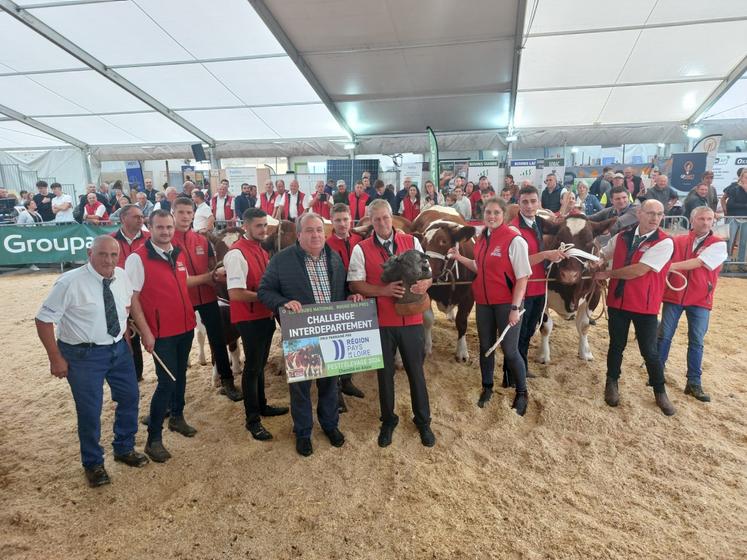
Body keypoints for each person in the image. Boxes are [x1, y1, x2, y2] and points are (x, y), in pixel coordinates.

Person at [36, 236, 148, 487]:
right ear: (90, 253)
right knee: (89, 410)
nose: (109, 260)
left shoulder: (121, 275)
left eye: (113, 255)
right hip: (82, 355)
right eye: (102, 255)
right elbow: (43, 320)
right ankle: (93, 463)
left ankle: (124, 447)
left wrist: (126, 343)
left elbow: (126, 308)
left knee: (130, 397)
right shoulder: (69, 282)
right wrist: (55, 359)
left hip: (118, 350)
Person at [259, 213, 355, 456]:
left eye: (319, 231)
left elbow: (341, 289)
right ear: (299, 234)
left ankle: (330, 425)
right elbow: (264, 291)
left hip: (330, 332)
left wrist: (351, 297)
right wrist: (283, 302)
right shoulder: (281, 261)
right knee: (301, 387)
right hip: (302, 332)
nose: (315, 235)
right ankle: (303, 432)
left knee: (330, 383)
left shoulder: (334, 259)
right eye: (310, 231)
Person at [348, 200, 435, 447]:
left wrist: (426, 284)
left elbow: (429, 273)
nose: (383, 223)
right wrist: (383, 290)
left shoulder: (412, 242)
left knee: (416, 372)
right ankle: (388, 420)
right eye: (376, 219)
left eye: (386, 217)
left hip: (412, 319)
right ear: (370, 222)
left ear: (392, 217)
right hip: (382, 321)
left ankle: (423, 421)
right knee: (384, 375)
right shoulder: (361, 249)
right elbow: (355, 284)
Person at [125, 210, 198, 463]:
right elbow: (132, 297)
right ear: (150, 227)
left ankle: (177, 418)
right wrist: (146, 331)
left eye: (169, 227)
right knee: (166, 383)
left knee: (180, 376)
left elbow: (182, 285)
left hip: (185, 327)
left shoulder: (177, 252)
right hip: (161, 333)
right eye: (160, 227)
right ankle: (153, 439)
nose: (166, 232)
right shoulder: (138, 258)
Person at [448, 197, 530, 414]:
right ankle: (487, 387)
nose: (492, 217)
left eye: (496, 213)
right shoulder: (483, 238)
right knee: (486, 348)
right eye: (488, 213)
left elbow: (523, 277)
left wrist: (514, 308)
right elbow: (480, 267)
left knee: (510, 351)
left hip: (506, 304)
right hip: (484, 303)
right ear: (483, 215)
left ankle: (522, 393)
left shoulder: (514, 240)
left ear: (503, 215)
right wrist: (458, 257)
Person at [593, 199, 676, 416]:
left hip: (645, 305)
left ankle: (660, 391)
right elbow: (604, 252)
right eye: (650, 213)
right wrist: (596, 261)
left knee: (649, 351)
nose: (655, 218)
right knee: (616, 345)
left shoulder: (664, 242)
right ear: (639, 213)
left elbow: (639, 270)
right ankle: (612, 383)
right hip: (618, 302)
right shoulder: (622, 236)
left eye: (659, 214)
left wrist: (607, 273)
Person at [224, 208, 289, 440]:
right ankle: (252, 420)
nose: (263, 230)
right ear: (246, 226)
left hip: (264, 316)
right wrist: (267, 297)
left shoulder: (261, 250)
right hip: (249, 319)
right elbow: (236, 293)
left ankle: (262, 405)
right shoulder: (236, 254)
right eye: (258, 226)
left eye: (265, 225)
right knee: (252, 368)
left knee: (259, 364)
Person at [170, 198, 242, 401]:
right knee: (181, 344)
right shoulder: (168, 242)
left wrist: (219, 275)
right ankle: (174, 393)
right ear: (173, 213)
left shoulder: (202, 241)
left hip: (208, 297)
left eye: (188, 212)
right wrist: (210, 277)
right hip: (182, 300)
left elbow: (212, 266)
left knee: (218, 339)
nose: (185, 216)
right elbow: (178, 280)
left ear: (194, 214)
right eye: (180, 212)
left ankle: (227, 382)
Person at [657, 206, 727, 404]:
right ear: (692, 220)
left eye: (709, 219)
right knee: (664, 335)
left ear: (713, 221)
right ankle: (656, 374)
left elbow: (699, 263)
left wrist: (669, 267)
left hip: (700, 299)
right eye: (702, 219)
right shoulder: (677, 240)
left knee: (696, 341)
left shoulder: (719, 244)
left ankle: (694, 382)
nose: (706, 223)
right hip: (674, 295)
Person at [505, 185, 567, 385]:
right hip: (522, 291)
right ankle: (511, 375)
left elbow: (559, 225)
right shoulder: (514, 228)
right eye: (525, 202)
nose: (530, 206)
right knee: (517, 335)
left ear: (539, 203)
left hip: (540, 288)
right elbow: (515, 263)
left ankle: (521, 368)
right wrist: (546, 255)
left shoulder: (538, 223)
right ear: (518, 204)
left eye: (533, 201)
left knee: (529, 331)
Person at [325, 203, 366, 405]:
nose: (342, 224)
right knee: (336, 344)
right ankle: (336, 391)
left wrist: (358, 292)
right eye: (338, 220)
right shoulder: (326, 245)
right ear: (331, 221)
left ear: (351, 219)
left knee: (351, 341)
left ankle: (347, 380)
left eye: (345, 219)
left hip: (358, 297)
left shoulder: (359, 240)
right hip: (337, 299)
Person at [111, 204, 149, 381]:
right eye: (136, 216)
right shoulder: (110, 241)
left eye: (141, 216)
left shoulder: (150, 238)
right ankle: (136, 375)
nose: (140, 219)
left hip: (147, 296)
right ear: (123, 218)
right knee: (129, 339)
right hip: (120, 298)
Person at [721, 169, 747, 267]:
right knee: (729, 240)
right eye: (745, 177)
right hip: (733, 217)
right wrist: (725, 210)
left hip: (745, 218)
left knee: (744, 242)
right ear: (741, 177)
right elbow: (730, 204)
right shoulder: (734, 187)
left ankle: (741, 264)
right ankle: (727, 262)